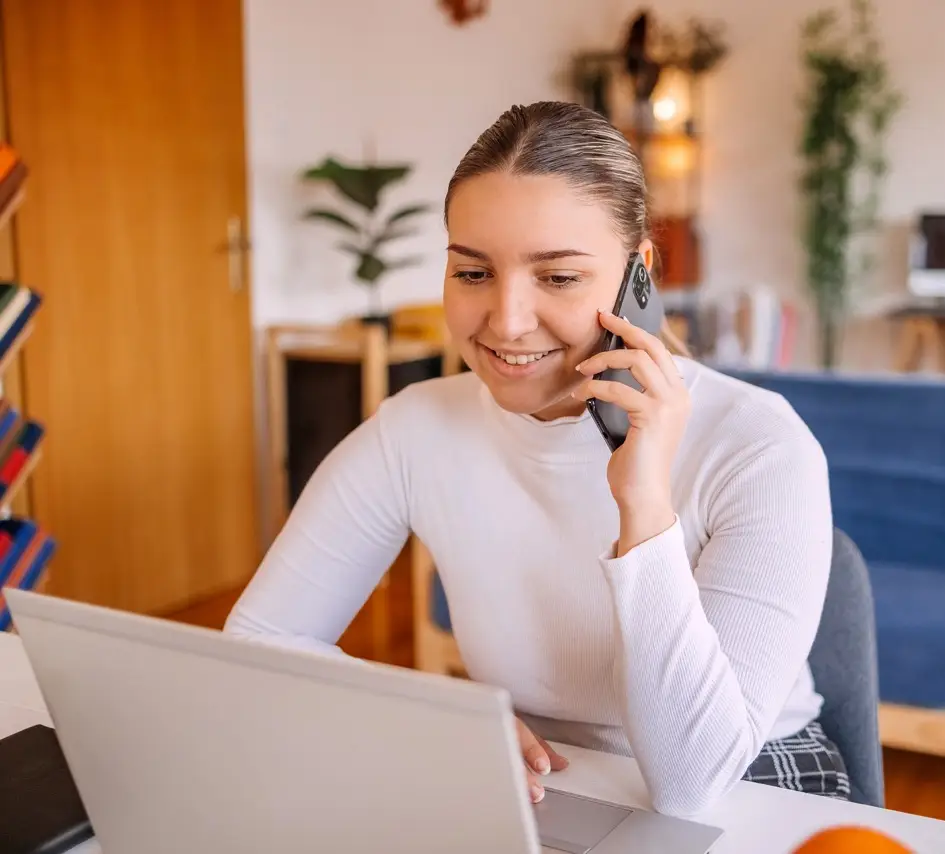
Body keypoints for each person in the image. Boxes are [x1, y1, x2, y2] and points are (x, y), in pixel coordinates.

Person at [224, 101, 846, 817]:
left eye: (557, 277)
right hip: (535, 770)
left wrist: (643, 505)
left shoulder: (760, 445)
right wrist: (436, 718)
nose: (508, 321)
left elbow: (692, 782)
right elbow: (260, 642)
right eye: (474, 273)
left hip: (751, 774)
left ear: (637, 276)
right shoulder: (416, 429)